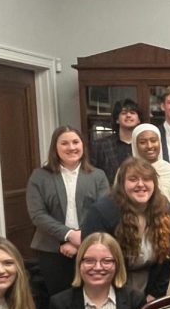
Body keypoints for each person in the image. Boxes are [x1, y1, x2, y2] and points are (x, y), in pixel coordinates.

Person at [26, 125, 109, 298]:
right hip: (52, 249)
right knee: (59, 300)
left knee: (90, 297)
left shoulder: (97, 176)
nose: (71, 147)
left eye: (75, 142)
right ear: (55, 148)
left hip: (91, 248)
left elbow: (103, 212)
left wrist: (81, 239)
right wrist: (69, 235)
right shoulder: (39, 176)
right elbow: (38, 215)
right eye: (64, 143)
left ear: (83, 146)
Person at [80, 157, 170, 301]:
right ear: (122, 184)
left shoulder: (165, 210)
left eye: (146, 179)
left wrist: (154, 294)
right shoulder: (102, 212)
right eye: (133, 179)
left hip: (149, 288)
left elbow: (168, 258)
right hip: (109, 288)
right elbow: (95, 262)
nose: (141, 184)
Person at [89, 99, 141, 184]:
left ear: (139, 120)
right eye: (123, 113)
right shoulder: (100, 145)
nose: (128, 115)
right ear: (117, 119)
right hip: (109, 194)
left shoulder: (144, 145)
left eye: (132, 113)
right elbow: (92, 175)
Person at [131, 123, 170, 205]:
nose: (149, 146)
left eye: (153, 141)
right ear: (135, 145)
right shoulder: (127, 172)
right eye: (142, 142)